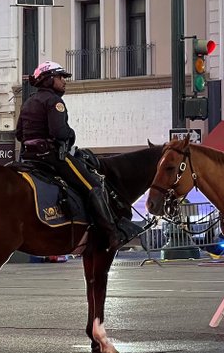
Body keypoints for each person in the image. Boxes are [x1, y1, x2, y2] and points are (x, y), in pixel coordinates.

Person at [15, 61, 140, 251]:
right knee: (94, 186)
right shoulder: (54, 101)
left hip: (29, 158)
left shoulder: (29, 102)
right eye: (60, 77)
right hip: (52, 157)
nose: (64, 82)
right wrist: (70, 133)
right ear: (49, 80)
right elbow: (60, 133)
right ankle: (112, 234)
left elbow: (19, 134)